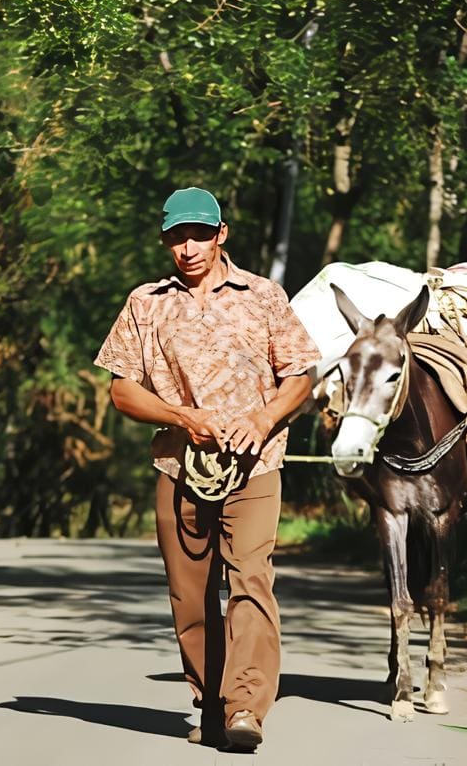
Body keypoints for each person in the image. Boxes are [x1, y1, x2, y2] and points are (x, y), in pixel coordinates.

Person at [93, 187, 319, 751]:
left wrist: (264, 418)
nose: (187, 247)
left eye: (198, 234)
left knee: (249, 580)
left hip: (255, 466)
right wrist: (180, 416)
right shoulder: (145, 303)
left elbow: (300, 376)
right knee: (189, 596)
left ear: (222, 235)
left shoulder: (264, 296)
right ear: (166, 241)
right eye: (176, 237)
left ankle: (246, 708)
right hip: (178, 466)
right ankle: (211, 704)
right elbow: (122, 391)